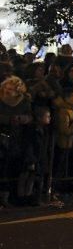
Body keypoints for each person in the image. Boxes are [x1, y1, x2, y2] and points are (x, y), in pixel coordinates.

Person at [0, 76, 32, 206]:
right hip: (2, 133)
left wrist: (23, 119)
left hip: (16, 136)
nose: (8, 90)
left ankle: (9, 196)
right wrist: (7, 119)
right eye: (7, 87)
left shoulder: (24, 102)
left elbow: (30, 116)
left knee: (11, 167)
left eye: (12, 88)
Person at [20, 106, 55, 205]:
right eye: (47, 116)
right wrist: (31, 160)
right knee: (27, 178)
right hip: (33, 158)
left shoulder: (45, 130)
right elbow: (29, 146)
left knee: (34, 178)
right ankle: (24, 198)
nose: (49, 118)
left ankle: (32, 198)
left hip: (40, 158)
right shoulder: (33, 130)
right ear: (39, 118)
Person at [53, 87, 73, 179]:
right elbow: (65, 130)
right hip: (63, 143)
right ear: (67, 98)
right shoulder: (64, 111)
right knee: (59, 167)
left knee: (63, 167)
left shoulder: (70, 110)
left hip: (68, 143)